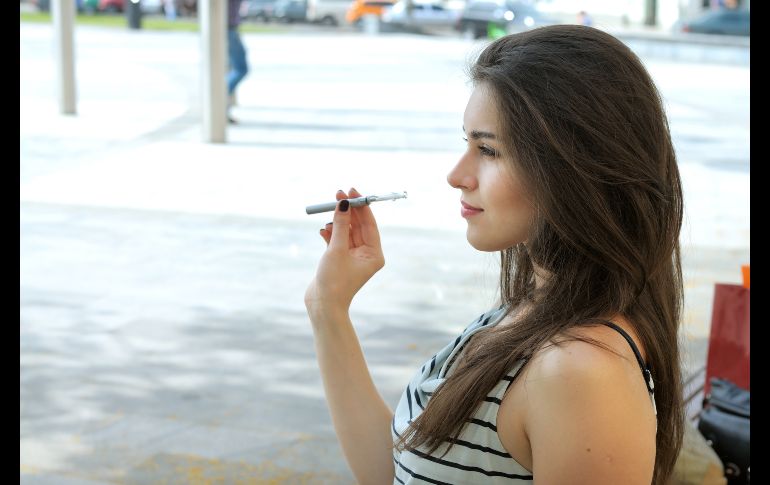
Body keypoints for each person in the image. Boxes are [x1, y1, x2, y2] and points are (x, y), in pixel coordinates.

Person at [305, 24, 684, 485]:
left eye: (487, 149)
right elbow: (394, 472)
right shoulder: (526, 312)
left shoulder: (582, 373)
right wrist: (328, 308)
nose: (457, 175)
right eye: (465, 143)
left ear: (570, 167)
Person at [227, 0, 249, 124]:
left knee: (233, 69)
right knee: (240, 69)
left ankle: (222, 105)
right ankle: (221, 99)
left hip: (229, 29)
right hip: (229, 29)